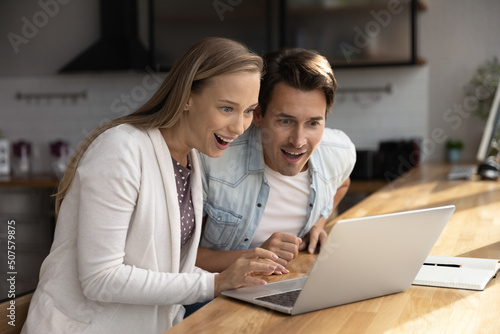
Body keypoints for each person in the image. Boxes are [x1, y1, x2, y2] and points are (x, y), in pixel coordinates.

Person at [21, 37, 286, 334]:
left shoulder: (191, 160)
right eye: (227, 109)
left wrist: (238, 275)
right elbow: (100, 279)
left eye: (248, 111)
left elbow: (166, 268)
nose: (239, 127)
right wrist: (214, 283)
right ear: (187, 96)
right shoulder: (121, 149)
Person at [196, 47, 356, 273]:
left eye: (313, 123)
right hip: (213, 296)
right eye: (285, 121)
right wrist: (254, 256)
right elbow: (182, 257)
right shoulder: (213, 159)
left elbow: (343, 183)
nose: (299, 141)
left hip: (282, 284)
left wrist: (318, 223)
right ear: (258, 114)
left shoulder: (338, 151)